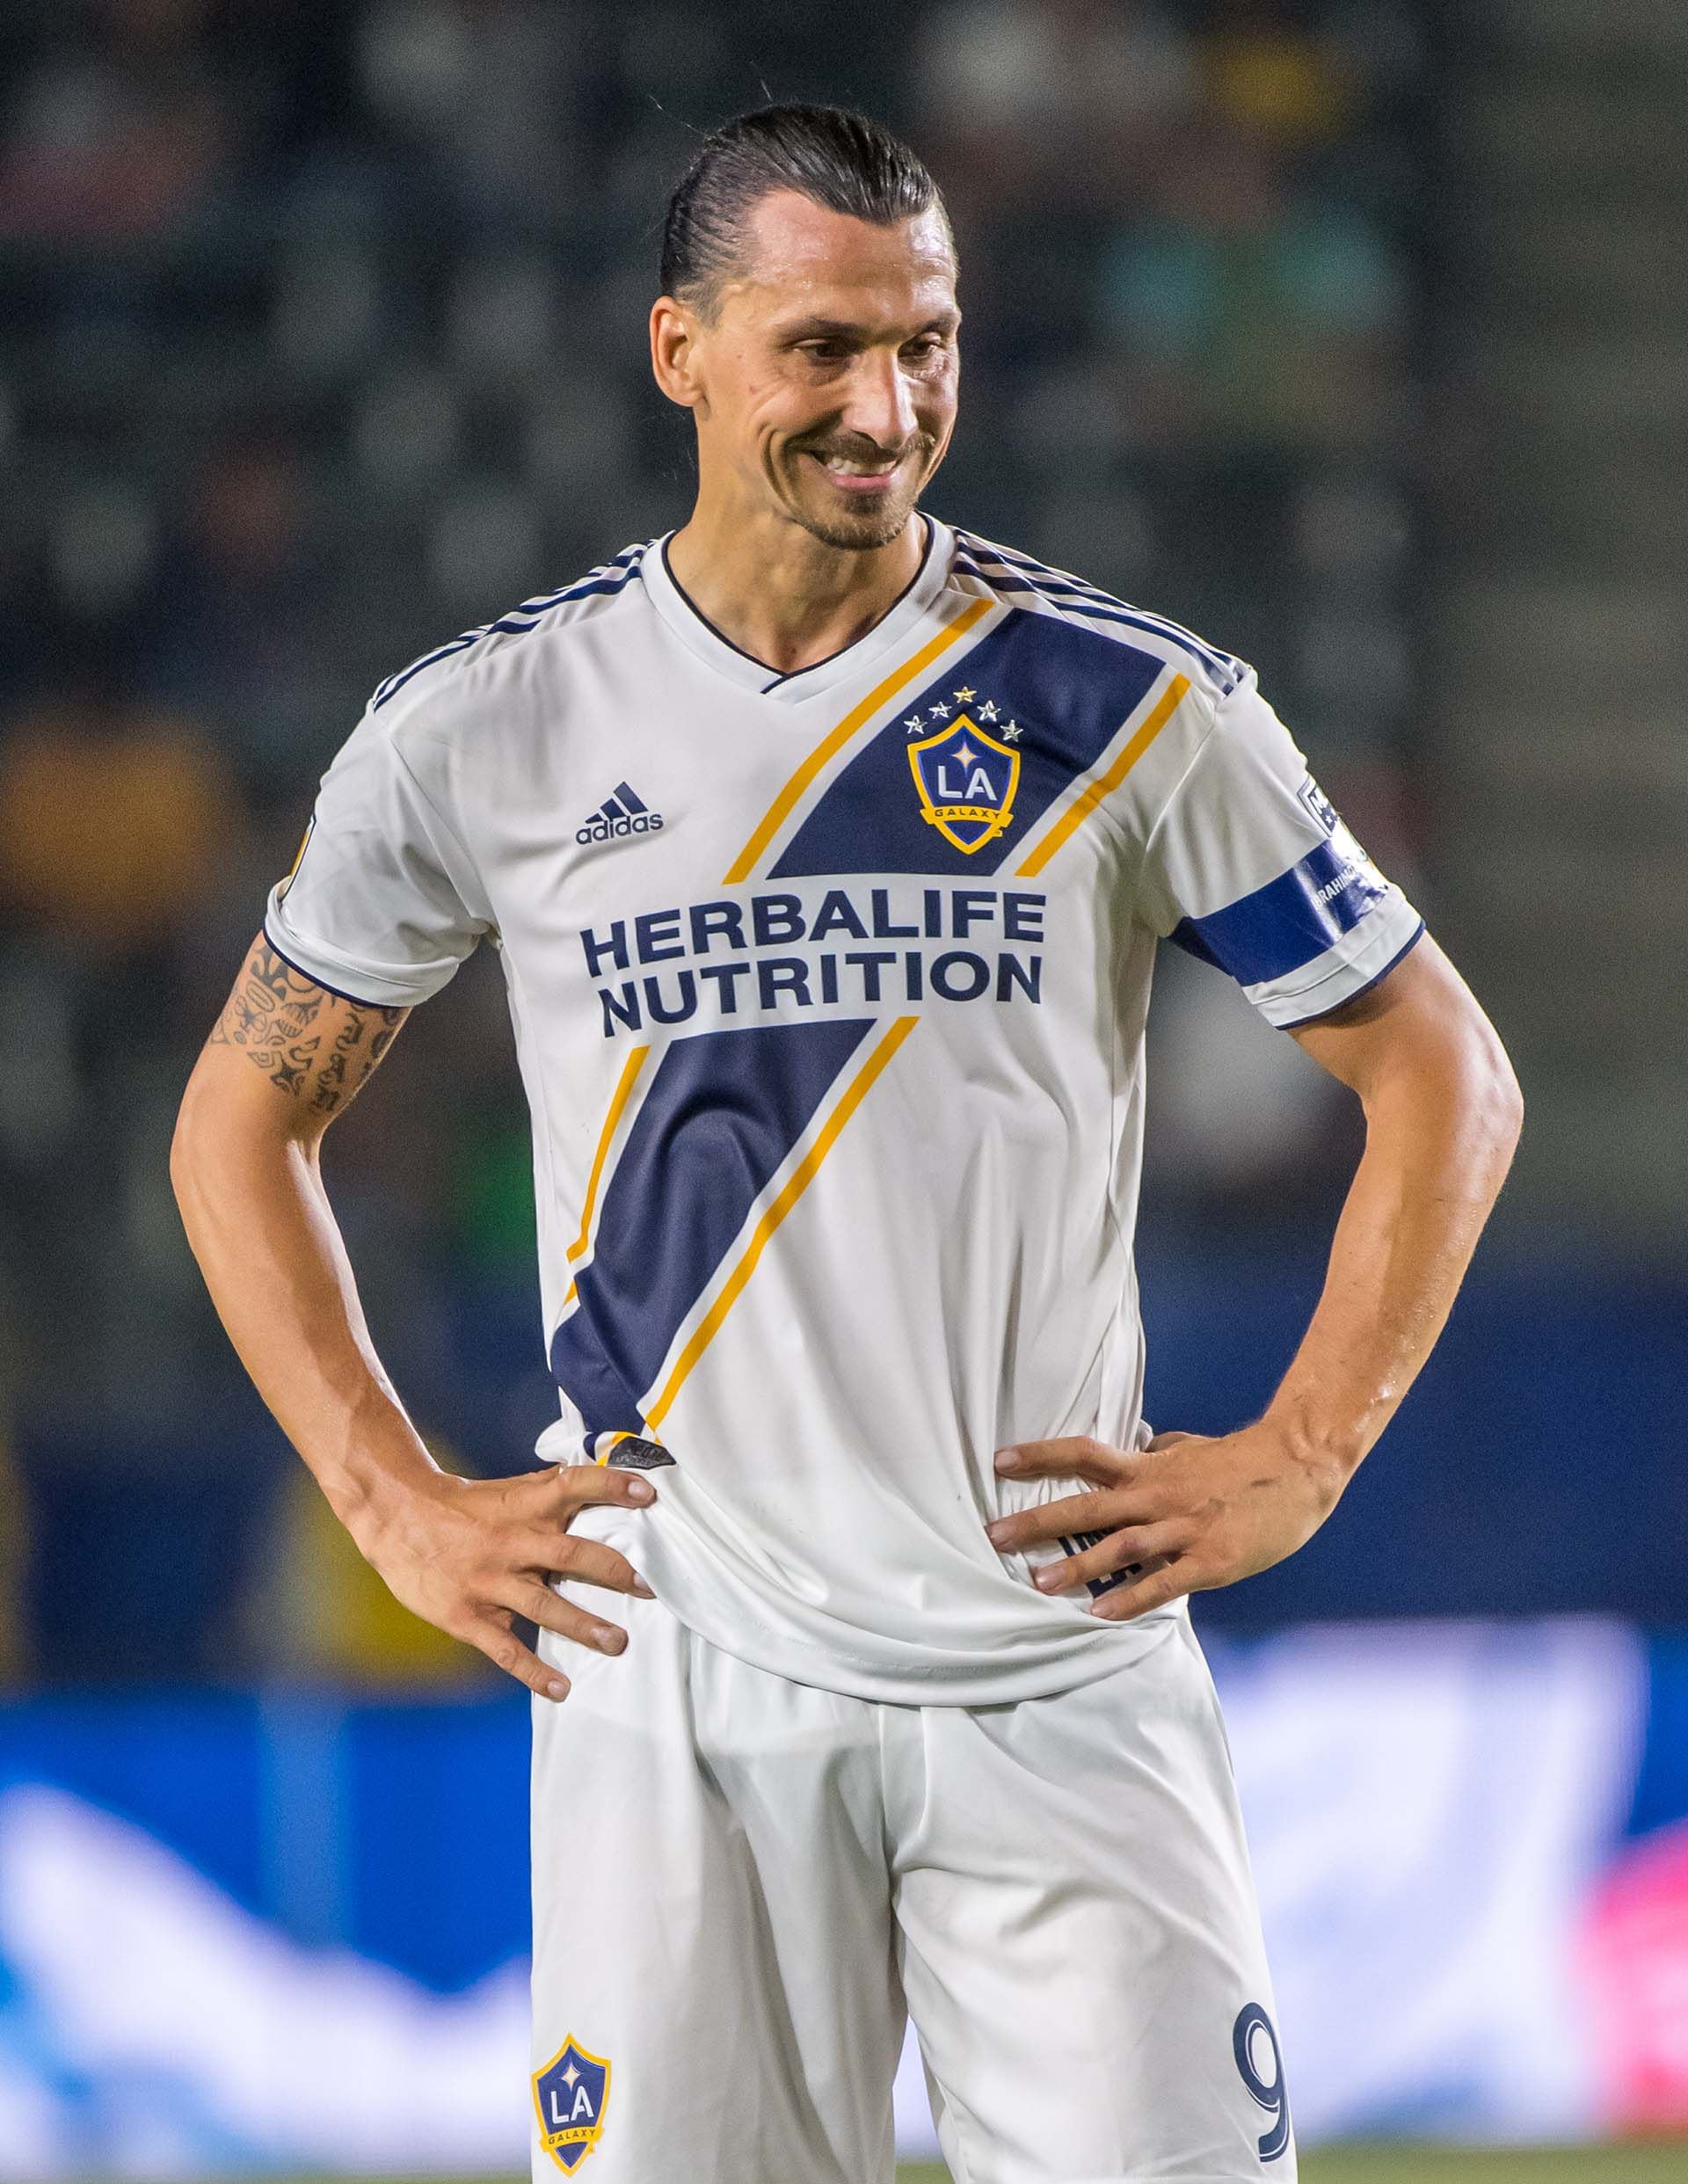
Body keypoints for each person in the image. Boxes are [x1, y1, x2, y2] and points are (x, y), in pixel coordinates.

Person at [171, 104, 1522, 2184]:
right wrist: (395, 1505)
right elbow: (237, 1127)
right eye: (823, 347)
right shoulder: (487, 730)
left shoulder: (1126, 706)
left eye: (928, 343)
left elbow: (1446, 1070)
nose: (887, 410)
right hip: (679, 1670)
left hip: (1055, 1654)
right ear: (680, 349)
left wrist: (1304, 1452)